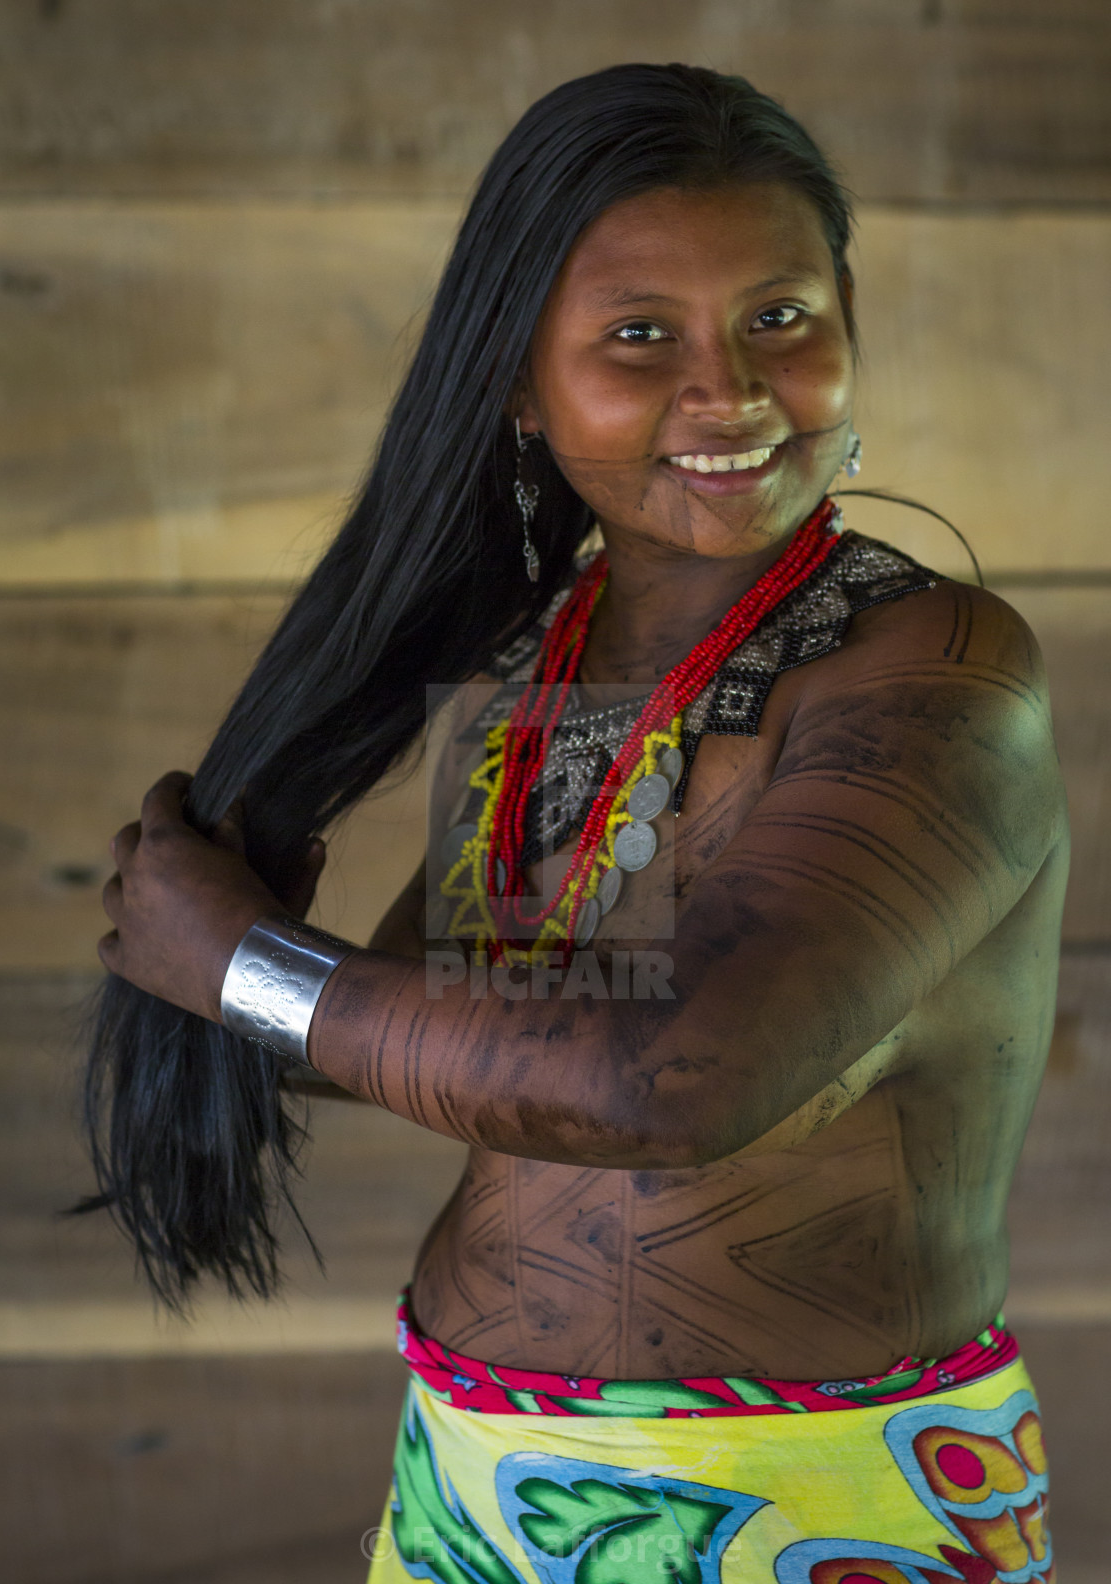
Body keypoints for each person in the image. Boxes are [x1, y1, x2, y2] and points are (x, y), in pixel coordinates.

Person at [87, 64, 1065, 1584]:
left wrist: (246, 969)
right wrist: (261, 945)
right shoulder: (563, 653)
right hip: (474, 1469)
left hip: (806, 1496)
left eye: (782, 317)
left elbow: (674, 1086)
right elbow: (482, 1044)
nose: (730, 388)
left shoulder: (931, 679)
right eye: (637, 336)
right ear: (521, 386)